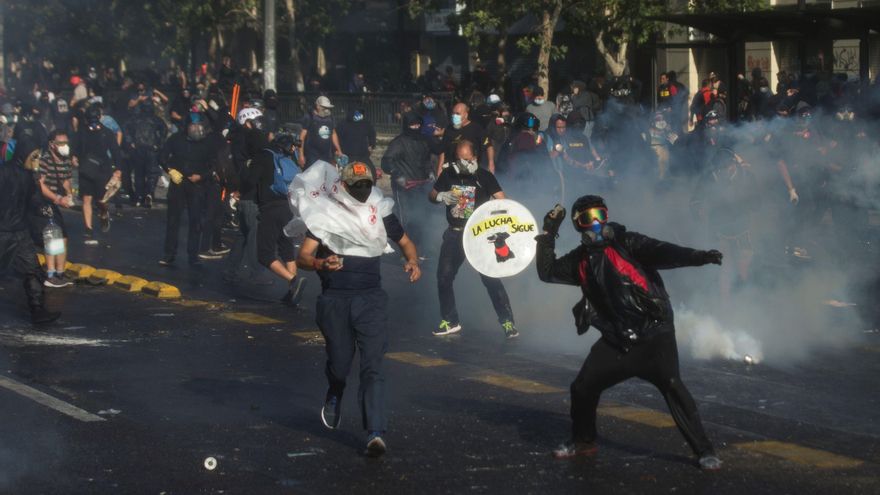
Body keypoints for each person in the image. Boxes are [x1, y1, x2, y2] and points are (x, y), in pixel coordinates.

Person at [535, 195, 724, 471]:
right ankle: (584, 441)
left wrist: (698, 257)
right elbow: (547, 271)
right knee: (583, 388)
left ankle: (705, 451)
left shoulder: (628, 243)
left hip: (654, 333)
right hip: (618, 340)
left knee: (672, 385)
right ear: (578, 225)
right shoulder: (580, 261)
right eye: (589, 218)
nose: (597, 223)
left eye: (601, 214)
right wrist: (549, 232)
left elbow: (664, 252)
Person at [295, 161, 422, 457]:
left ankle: (375, 431)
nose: (363, 192)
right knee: (340, 363)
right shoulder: (325, 212)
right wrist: (319, 263)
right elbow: (302, 256)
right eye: (357, 187)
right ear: (344, 185)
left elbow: (406, 243)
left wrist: (413, 262)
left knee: (373, 366)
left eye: (367, 185)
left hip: (370, 298)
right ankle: (335, 390)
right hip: (335, 299)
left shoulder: (378, 211)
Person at [430, 140, 517, 338]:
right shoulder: (448, 174)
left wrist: (493, 212)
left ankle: (507, 322)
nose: (462, 163)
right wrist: (440, 196)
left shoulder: (484, 176)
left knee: (491, 278)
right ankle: (450, 321)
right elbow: (432, 195)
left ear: (475, 158)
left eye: (467, 160)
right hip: (455, 232)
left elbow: (503, 201)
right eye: (459, 160)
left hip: (478, 234)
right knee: (444, 277)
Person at [0, 138, 61, 324]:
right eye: (34, 156)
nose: (36, 160)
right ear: (23, 155)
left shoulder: (29, 176)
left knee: (32, 270)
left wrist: (43, 208)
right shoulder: (4, 173)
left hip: (19, 232)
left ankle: (38, 310)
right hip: (3, 231)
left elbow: (34, 200)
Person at [254, 125, 308, 304]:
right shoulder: (289, 159)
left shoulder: (265, 156)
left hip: (270, 208)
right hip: (288, 208)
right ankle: (293, 292)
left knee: (265, 254)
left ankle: (293, 280)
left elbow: (251, 179)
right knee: (287, 250)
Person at [158, 117, 214, 267]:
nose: (197, 128)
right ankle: (169, 254)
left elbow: (214, 165)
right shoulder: (176, 139)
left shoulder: (206, 143)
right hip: (178, 183)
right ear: (188, 126)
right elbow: (162, 157)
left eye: (199, 125)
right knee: (173, 220)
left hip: (197, 185)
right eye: (194, 125)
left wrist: (201, 176)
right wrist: (169, 170)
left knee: (196, 221)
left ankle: (193, 256)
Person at [381, 113, 435, 246]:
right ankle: (403, 247)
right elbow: (386, 161)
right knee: (405, 216)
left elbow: (426, 160)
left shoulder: (423, 140)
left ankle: (419, 245)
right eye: (412, 124)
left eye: (418, 124)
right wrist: (397, 175)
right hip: (404, 186)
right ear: (406, 125)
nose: (415, 127)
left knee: (422, 216)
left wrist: (430, 172)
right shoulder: (399, 142)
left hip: (422, 185)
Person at [73, 104, 122, 245]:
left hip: (103, 170)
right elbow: (75, 147)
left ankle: (103, 212)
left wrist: (118, 169)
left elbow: (116, 152)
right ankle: (88, 228)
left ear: (99, 117)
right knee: (87, 199)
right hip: (86, 169)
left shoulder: (107, 133)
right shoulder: (82, 132)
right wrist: (74, 157)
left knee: (101, 200)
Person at [34, 130, 75, 288]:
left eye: (66, 143)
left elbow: (65, 180)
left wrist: (69, 194)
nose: (64, 146)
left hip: (54, 202)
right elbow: (40, 184)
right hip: (42, 202)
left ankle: (60, 272)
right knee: (52, 236)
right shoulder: (44, 161)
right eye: (60, 143)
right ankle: (51, 275)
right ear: (52, 144)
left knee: (62, 237)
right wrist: (57, 198)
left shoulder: (65, 160)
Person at [123, 99, 167, 207]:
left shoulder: (135, 119)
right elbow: (164, 130)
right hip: (152, 148)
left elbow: (125, 128)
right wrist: (159, 143)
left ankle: (139, 196)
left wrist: (130, 142)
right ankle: (149, 193)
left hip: (138, 148)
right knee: (152, 173)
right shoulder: (156, 119)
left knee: (139, 173)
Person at [436, 103, 494, 176]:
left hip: (471, 168)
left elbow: (488, 146)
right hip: (451, 169)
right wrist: (439, 168)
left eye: (458, 114)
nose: (454, 116)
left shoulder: (476, 128)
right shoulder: (449, 129)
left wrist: (491, 163)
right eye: (453, 113)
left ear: (466, 115)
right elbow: (443, 150)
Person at [299, 96, 342, 168]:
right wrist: (301, 155)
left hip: (327, 154)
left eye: (328, 108)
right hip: (312, 155)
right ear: (318, 106)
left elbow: (333, 134)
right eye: (324, 107)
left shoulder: (330, 118)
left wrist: (339, 150)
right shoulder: (309, 117)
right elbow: (302, 137)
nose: (326, 110)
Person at [337, 108, 377, 176]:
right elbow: (336, 136)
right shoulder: (343, 124)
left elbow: (372, 133)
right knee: (345, 175)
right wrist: (338, 150)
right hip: (347, 156)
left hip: (363, 156)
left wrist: (371, 145)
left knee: (372, 173)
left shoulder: (365, 123)